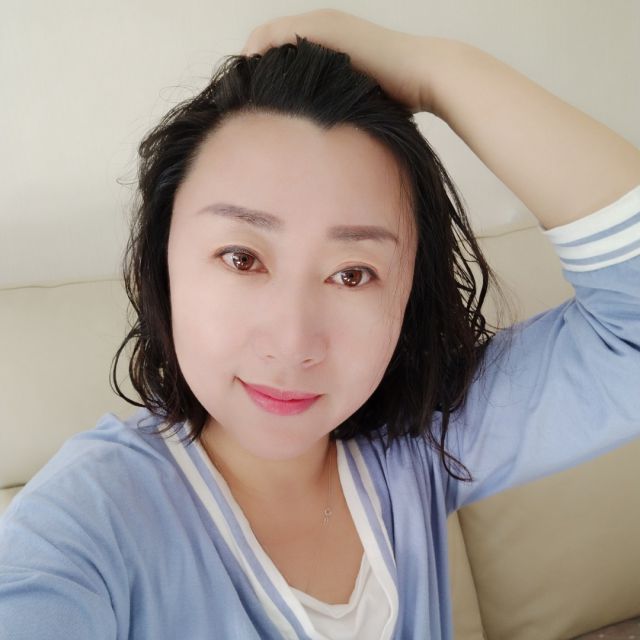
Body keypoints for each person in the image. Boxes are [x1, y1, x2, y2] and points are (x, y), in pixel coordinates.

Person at [1, 8, 639, 640]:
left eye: (353, 274)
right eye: (242, 258)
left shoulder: (419, 443)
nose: (293, 344)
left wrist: (433, 70)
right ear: (162, 264)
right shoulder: (83, 524)